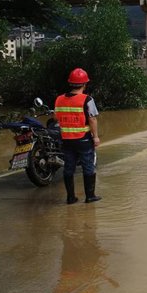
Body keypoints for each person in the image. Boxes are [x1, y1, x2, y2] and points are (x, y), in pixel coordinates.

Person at [55, 68, 101, 204]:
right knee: (88, 166)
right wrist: (96, 137)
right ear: (84, 84)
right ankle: (90, 196)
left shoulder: (59, 99)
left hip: (66, 139)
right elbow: (92, 119)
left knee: (68, 167)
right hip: (83, 139)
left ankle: (70, 197)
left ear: (71, 83)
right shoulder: (87, 99)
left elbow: (56, 117)